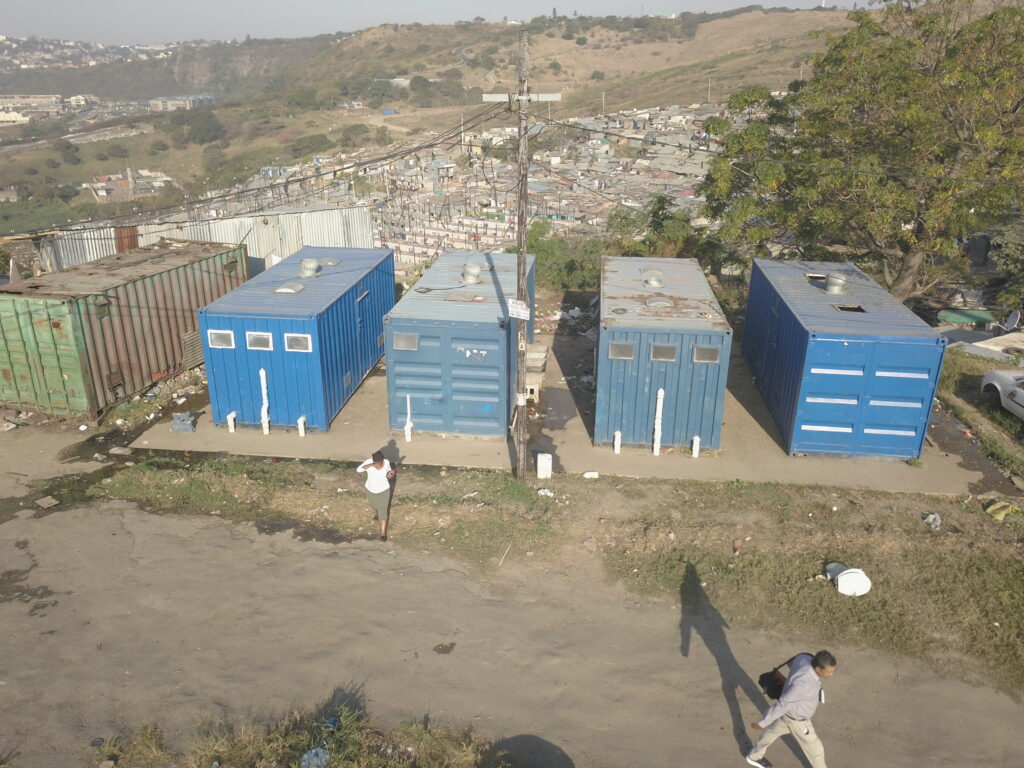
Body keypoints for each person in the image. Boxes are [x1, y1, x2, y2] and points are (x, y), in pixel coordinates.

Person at [745, 650, 837, 768]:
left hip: (788, 715)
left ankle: (754, 756)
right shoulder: (802, 685)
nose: (831, 674)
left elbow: (794, 663)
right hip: (798, 721)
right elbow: (783, 704)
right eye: (829, 672)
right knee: (816, 750)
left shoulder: (804, 658)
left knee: (771, 733)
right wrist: (763, 722)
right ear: (818, 669)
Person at [356, 451, 396, 541]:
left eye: (380, 463)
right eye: (377, 464)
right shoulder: (369, 462)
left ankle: (383, 535)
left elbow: (388, 474)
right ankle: (378, 513)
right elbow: (358, 470)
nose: (379, 465)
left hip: (384, 490)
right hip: (370, 489)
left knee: (383, 511)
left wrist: (391, 475)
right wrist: (371, 465)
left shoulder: (386, 462)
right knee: (374, 506)